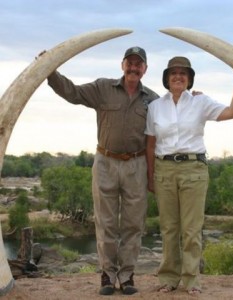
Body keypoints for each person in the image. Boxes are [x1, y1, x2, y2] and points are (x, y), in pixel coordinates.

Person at [46, 46, 159, 295]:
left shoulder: (153, 99)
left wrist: (192, 100)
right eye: (129, 62)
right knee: (105, 222)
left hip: (137, 165)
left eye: (138, 64)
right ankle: (107, 275)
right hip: (105, 161)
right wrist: (50, 71)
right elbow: (73, 93)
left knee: (133, 224)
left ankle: (127, 276)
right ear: (122, 65)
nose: (133, 67)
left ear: (145, 69)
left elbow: (169, 125)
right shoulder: (102, 88)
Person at [145, 56, 233, 295]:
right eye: (173, 73)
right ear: (167, 79)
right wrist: (150, 175)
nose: (178, 76)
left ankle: (191, 280)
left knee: (191, 229)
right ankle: (169, 278)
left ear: (190, 79)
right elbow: (150, 144)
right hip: (164, 169)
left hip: (193, 169)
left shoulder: (201, 102)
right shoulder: (155, 107)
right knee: (169, 228)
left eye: (183, 73)